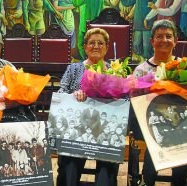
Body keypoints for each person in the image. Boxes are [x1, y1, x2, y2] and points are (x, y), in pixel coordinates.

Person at [130, 19, 187, 186]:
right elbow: (135, 101)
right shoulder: (142, 70)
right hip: (152, 126)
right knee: (152, 161)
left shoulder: (186, 67)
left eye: (168, 36)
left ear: (175, 40)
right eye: (159, 36)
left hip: (180, 125)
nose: (164, 40)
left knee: (180, 169)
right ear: (152, 41)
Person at [56, 27, 119, 186]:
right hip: (77, 128)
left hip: (105, 129)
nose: (96, 46)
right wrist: (73, 95)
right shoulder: (74, 68)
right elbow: (61, 91)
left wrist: (113, 97)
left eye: (100, 43)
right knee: (70, 162)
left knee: (107, 164)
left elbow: (124, 98)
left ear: (106, 47)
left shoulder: (115, 70)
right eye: (91, 43)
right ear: (85, 47)